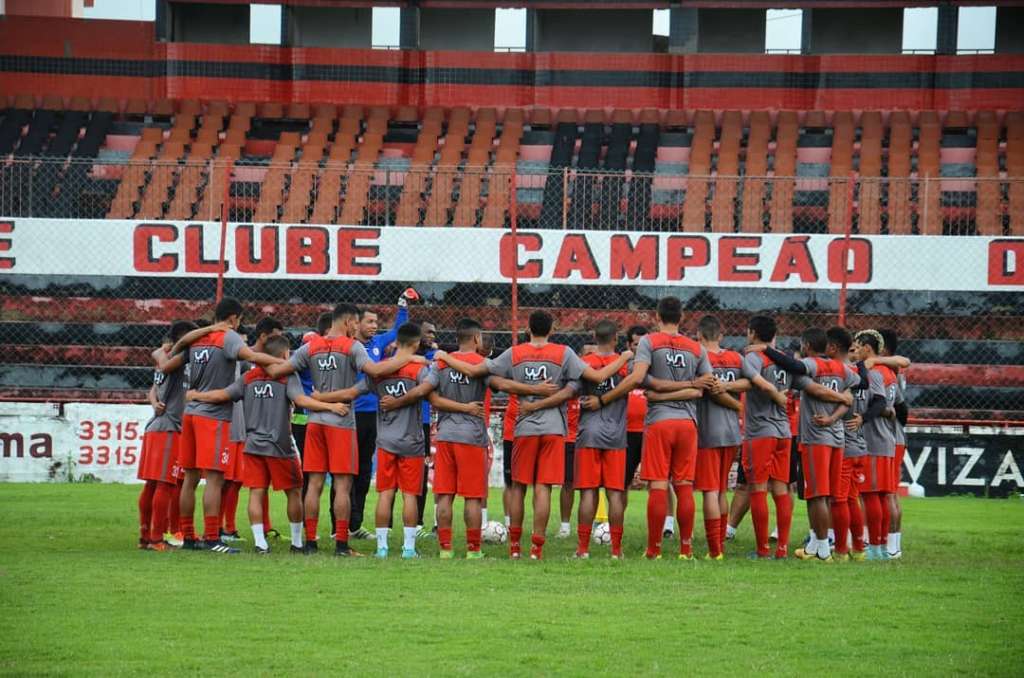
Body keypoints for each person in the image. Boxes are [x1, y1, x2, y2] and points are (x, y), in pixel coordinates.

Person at [435, 310, 630, 560]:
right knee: (543, 489)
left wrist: (444, 357)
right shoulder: (564, 353)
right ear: (552, 329)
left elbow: (482, 375)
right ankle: (537, 549)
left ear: (528, 329)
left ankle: (515, 548)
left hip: (524, 427)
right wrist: (624, 357)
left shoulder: (514, 353)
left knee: (518, 488)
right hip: (553, 429)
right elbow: (599, 376)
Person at [268, 303, 420, 556]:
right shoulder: (352, 346)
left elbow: (278, 369)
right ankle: (340, 544)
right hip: (341, 422)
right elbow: (374, 370)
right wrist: (407, 357)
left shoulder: (310, 347)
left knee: (314, 483)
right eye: (356, 324)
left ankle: (311, 542)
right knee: (342, 485)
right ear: (349, 322)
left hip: (315, 421)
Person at [186, 334, 350, 554]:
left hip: (252, 445)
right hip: (279, 445)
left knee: (256, 492)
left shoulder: (248, 378)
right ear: (284, 354)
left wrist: (196, 395)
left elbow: (221, 395)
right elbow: (301, 401)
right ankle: (297, 543)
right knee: (294, 491)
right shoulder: (286, 377)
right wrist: (331, 406)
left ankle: (260, 543)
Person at [595, 296, 719, 560]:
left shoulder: (650, 342)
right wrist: (689, 386)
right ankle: (686, 549)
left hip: (660, 422)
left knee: (659, 486)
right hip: (687, 423)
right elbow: (706, 383)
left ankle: (654, 550)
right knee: (684, 485)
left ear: (657, 316)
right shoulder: (696, 348)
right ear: (682, 317)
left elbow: (640, 378)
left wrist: (656, 388)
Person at [171, 298, 283, 554]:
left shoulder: (196, 340)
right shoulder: (230, 337)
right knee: (214, 479)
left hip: (190, 414)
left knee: (189, 478)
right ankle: (212, 538)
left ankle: (188, 536)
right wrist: (284, 362)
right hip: (214, 416)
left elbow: (172, 358)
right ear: (234, 318)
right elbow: (251, 356)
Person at [380, 319, 493, 559]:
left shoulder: (440, 364)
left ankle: (445, 549)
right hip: (472, 436)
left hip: (445, 435)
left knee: (444, 495)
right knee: (473, 496)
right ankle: (473, 551)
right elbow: (498, 382)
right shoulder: (484, 363)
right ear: (476, 339)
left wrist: (396, 402)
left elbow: (428, 395)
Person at [754, 327, 860, 562]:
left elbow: (803, 374)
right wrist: (836, 413)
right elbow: (852, 393)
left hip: (816, 437)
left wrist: (766, 349)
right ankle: (821, 547)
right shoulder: (844, 369)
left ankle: (822, 550)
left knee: (816, 495)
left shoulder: (812, 365)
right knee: (830, 496)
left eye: (802, 344)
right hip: (837, 437)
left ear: (808, 346)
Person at [351, 289, 418, 541]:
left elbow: (399, 333)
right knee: (348, 472)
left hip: (375, 415)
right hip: (351, 413)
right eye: (369, 322)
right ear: (355, 323)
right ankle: (341, 525)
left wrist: (402, 305)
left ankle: (355, 525)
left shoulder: (377, 344)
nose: (374, 326)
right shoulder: (350, 346)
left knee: (365, 470)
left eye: (376, 323)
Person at [366, 323, 431, 559]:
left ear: (396, 343)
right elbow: (429, 389)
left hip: (385, 439)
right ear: (415, 344)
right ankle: (409, 548)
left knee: (385, 493)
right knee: (410, 494)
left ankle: (381, 548)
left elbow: (365, 387)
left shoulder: (380, 370)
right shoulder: (419, 371)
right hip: (411, 440)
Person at [221, 316, 284, 543]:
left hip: (260, 429)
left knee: (260, 481)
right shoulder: (244, 360)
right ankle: (225, 528)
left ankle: (265, 527)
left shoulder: (271, 361)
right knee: (233, 480)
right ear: (265, 336)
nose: (280, 342)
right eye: (276, 336)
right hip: (238, 425)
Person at [738, 315, 795, 559]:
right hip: (784, 432)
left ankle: (762, 549)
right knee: (781, 489)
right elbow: (803, 382)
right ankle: (782, 548)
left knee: (758, 488)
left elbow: (754, 381)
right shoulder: (786, 359)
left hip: (760, 432)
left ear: (752, 332)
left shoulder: (752, 357)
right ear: (775, 335)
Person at [574, 321, 631, 559]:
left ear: (594, 337)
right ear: (616, 338)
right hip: (616, 434)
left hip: (589, 432)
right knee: (615, 493)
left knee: (588, 492)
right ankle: (616, 551)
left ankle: (583, 549)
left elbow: (575, 390)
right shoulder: (626, 365)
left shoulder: (584, 362)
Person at [695, 315, 749, 560]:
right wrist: (732, 388)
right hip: (731, 432)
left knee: (710, 490)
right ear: (720, 335)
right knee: (721, 491)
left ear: (699, 335)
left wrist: (723, 389)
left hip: (707, 430)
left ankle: (714, 550)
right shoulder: (736, 357)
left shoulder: (698, 356)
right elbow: (751, 381)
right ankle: (719, 545)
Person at [137, 321, 195, 551]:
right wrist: (160, 352)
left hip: (156, 427)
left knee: (153, 485)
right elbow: (163, 365)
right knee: (165, 484)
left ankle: (145, 537)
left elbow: (153, 387)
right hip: (168, 429)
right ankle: (156, 538)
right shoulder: (175, 360)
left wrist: (153, 401)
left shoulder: (172, 359)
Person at [852, 330, 906, 561]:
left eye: (857, 345)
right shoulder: (889, 373)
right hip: (886, 440)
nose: (854, 349)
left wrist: (865, 416)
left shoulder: (874, 372)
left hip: (873, 441)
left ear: (867, 347)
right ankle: (884, 545)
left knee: (871, 496)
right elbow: (899, 407)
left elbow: (881, 403)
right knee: (884, 496)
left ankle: (875, 547)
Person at [880, 328, 909, 559]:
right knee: (890, 493)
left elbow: (903, 361)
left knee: (887, 493)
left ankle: (891, 546)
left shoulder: (888, 369)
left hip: (889, 436)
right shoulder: (891, 369)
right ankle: (894, 544)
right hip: (897, 434)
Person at [624, 326, 648, 508]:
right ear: (628, 345)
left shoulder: (656, 364)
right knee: (622, 481)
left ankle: (669, 523)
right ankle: (617, 522)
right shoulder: (621, 365)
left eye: (644, 344)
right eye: (636, 344)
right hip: (627, 432)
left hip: (650, 430)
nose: (640, 348)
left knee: (660, 481)